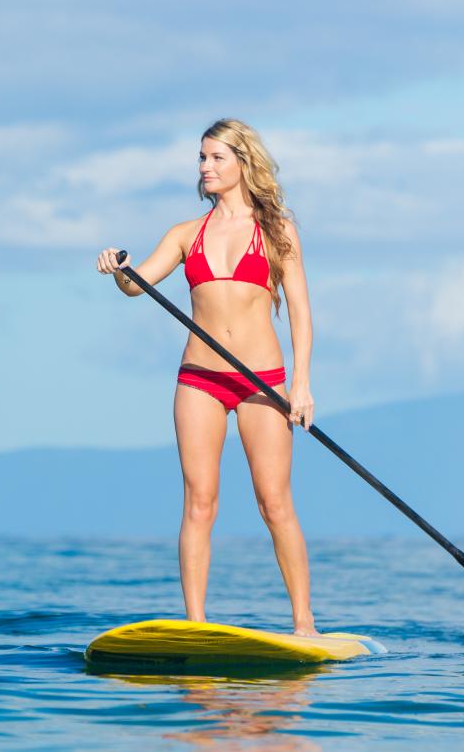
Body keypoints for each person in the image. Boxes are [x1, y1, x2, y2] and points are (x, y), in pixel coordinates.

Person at [95, 118, 318, 636]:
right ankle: (196, 623)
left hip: (263, 381)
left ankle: (304, 622)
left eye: (216, 157)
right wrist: (118, 266)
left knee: (275, 503)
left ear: (243, 162)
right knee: (199, 501)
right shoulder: (185, 234)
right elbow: (136, 285)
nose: (205, 167)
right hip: (199, 379)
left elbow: (302, 314)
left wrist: (301, 385)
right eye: (201, 158)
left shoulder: (276, 230)